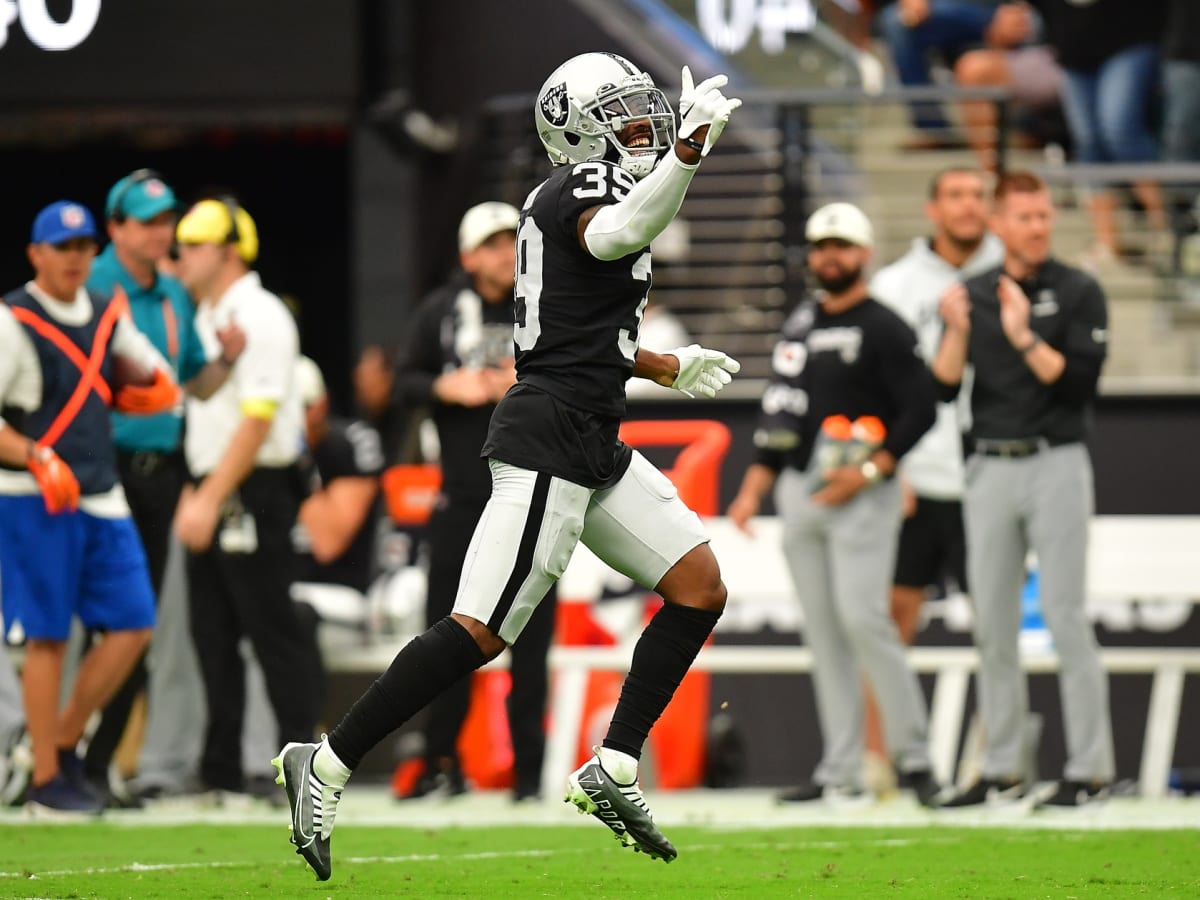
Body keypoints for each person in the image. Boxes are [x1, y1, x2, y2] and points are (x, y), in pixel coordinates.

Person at [272, 52, 742, 880]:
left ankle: (615, 766)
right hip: (550, 433)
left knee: (699, 585)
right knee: (479, 631)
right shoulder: (582, 189)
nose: (645, 123)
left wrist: (661, 364)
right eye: (623, 110)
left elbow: (575, 327)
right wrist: (689, 154)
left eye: (646, 107)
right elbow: (622, 234)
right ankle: (328, 762)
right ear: (577, 129)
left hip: (587, 427)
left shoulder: (590, 190)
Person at [726, 202, 941, 807]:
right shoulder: (800, 323)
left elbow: (921, 409)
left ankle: (916, 761)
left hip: (861, 494)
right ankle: (840, 770)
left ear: (865, 254)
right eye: (821, 247)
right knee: (823, 634)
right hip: (801, 493)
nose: (830, 257)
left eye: (842, 246)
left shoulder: (886, 326)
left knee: (864, 621)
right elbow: (781, 413)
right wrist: (753, 486)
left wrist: (874, 469)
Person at [933, 170, 1115, 808]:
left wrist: (1021, 335)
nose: (1038, 227)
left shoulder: (1080, 290)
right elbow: (943, 387)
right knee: (994, 626)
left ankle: (1091, 770)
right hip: (988, 465)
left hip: (1055, 461)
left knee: (1065, 616)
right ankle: (1003, 766)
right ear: (1000, 225)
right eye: (1026, 217)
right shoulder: (972, 293)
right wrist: (954, 329)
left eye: (1044, 216)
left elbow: (1078, 387)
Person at [0, 200, 180, 813]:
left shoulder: (107, 314)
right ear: (36, 253)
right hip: (33, 494)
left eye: (83, 249)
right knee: (48, 636)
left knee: (134, 622)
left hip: (101, 489)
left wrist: (152, 390)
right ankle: (49, 783)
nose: (75, 258)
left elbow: (153, 376)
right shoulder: (13, 318)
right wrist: (32, 455)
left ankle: (58, 740)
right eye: (63, 247)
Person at [81, 168, 245, 805]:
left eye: (165, 220)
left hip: (156, 477)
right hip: (96, 469)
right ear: (115, 228)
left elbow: (193, 385)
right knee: (68, 628)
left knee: (132, 625)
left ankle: (96, 768)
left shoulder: (175, 296)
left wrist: (227, 358)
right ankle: (51, 762)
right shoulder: (91, 282)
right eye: (145, 221)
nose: (160, 232)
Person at [391, 200, 557, 803]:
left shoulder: (545, 303)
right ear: (467, 255)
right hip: (463, 497)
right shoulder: (440, 312)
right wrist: (447, 385)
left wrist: (528, 381)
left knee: (531, 643)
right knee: (447, 638)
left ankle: (531, 776)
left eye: (507, 241)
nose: (500, 253)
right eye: (488, 244)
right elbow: (401, 381)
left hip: (536, 494)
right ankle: (441, 763)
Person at [171, 197, 318, 799]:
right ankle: (222, 771)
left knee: (271, 631)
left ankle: (301, 766)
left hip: (252, 488)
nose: (180, 255)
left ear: (228, 252)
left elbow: (255, 423)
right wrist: (193, 491)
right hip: (211, 484)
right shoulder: (204, 316)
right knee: (212, 635)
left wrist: (207, 498)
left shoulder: (260, 314)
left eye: (193, 244)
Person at [865, 168, 1004, 789]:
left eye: (978, 195)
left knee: (998, 624)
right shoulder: (895, 286)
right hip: (918, 475)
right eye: (956, 194)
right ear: (932, 207)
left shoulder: (1018, 276)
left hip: (990, 473)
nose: (968, 205)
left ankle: (993, 760)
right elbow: (878, 389)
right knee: (890, 622)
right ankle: (882, 761)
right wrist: (894, 467)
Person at [1027, 0, 1169, 267]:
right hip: (1073, 48)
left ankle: (1164, 225)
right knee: (1089, 141)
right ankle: (1106, 243)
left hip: (1128, 38)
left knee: (1120, 128)